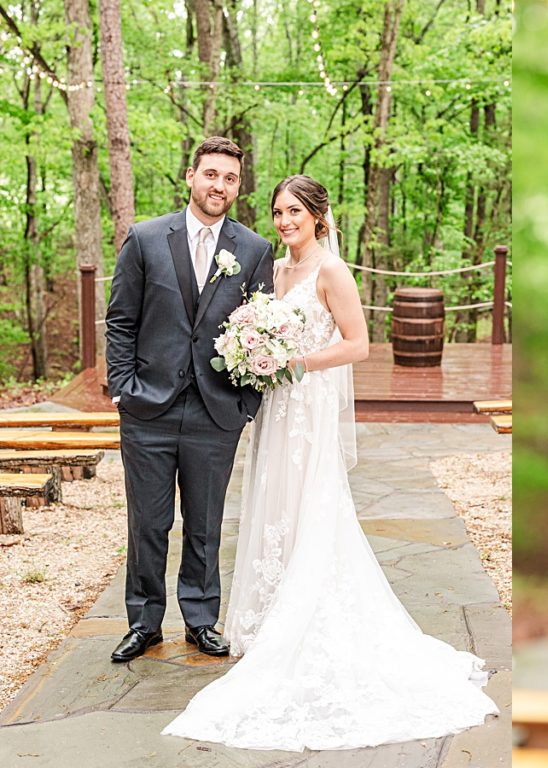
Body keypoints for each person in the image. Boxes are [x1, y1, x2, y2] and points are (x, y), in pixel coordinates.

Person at [162, 175, 499, 751]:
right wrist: (255, 352)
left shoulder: (331, 271)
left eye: (294, 211)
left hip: (308, 401)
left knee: (310, 500)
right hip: (275, 404)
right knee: (272, 500)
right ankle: (270, 614)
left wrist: (294, 359)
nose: (284, 220)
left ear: (319, 216)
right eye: (277, 212)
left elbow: (359, 343)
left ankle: (307, 611)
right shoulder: (271, 268)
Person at [106, 137, 274, 663]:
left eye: (229, 178)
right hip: (147, 409)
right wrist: (124, 390)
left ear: (238, 186)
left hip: (215, 411)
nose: (219, 186)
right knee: (148, 522)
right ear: (191, 176)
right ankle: (143, 621)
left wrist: (244, 405)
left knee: (205, 523)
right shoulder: (146, 238)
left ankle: (201, 619)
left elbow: (265, 329)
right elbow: (120, 321)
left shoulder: (254, 250)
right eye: (211, 175)